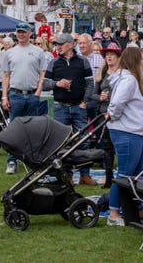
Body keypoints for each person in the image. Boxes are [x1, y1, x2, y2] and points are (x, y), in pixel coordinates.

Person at [105, 47, 143, 226]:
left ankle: (134, 211)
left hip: (136, 131)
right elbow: (117, 103)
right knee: (125, 173)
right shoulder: (128, 79)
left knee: (136, 174)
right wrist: (113, 116)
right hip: (126, 131)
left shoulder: (132, 79)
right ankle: (113, 214)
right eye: (141, 59)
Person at [43, 33, 96, 185]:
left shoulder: (83, 62)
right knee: (62, 143)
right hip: (60, 107)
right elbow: (45, 84)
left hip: (79, 107)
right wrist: (57, 84)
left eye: (61, 44)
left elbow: (90, 84)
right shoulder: (53, 62)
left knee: (83, 141)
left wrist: (84, 102)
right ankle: (67, 175)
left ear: (71, 44)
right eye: (57, 44)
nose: (58, 46)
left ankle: (85, 175)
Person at [0, 22, 46, 174]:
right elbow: (5, 75)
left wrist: (38, 91)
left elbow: (42, 74)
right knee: (14, 129)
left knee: (32, 130)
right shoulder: (9, 53)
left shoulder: (38, 51)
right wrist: (4, 96)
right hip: (15, 94)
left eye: (23, 32)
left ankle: (32, 162)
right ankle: (11, 161)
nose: (21, 34)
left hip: (32, 94)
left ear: (29, 33)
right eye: (19, 32)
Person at [91, 43, 122, 188]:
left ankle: (122, 177)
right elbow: (93, 95)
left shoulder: (123, 74)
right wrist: (100, 97)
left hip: (119, 115)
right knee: (107, 147)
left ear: (118, 57)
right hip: (103, 114)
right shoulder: (102, 73)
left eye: (112, 54)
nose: (109, 56)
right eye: (107, 54)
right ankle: (109, 178)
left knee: (120, 147)